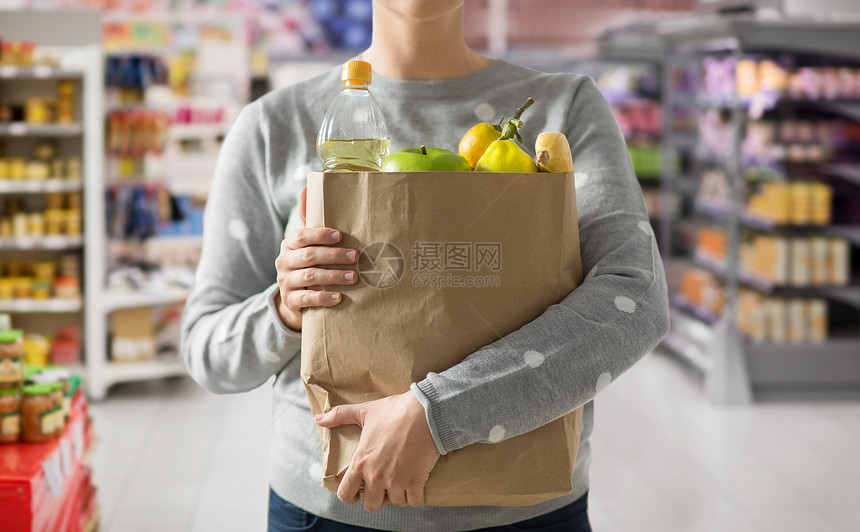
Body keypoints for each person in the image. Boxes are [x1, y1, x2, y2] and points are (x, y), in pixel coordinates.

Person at [180, 1, 670, 530]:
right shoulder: (273, 126)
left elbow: (635, 297)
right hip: (329, 511)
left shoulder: (563, 108)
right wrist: (287, 307)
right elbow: (206, 349)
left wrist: (438, 414)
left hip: (530, 510)